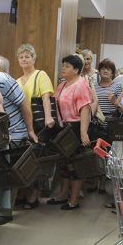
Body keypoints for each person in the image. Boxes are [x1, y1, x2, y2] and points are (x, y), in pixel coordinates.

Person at [0, 66, 38, 225]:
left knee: (9, 174)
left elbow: (24, 104)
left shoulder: (3, 81)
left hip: (14, 133)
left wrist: (30, 131)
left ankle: (6, 210)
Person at [47, 55, 94, 210]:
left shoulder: (81, 85)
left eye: (67, 66)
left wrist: (83, 133)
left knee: (75, 165)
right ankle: (62, 194)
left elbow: (85, 109)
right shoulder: (62, 84)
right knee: (64, 164)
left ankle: (74, 201)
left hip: (75, 128)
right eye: (63, 65)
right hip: (63, 128)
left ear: (76, 70)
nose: (63, 68)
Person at [16, 43, 55, 209]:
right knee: (26, 160)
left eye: (27, 56)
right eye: (21, 57)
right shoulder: (17, 80)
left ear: (34, 58)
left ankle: (34, 195)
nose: (24, 59)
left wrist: (48, 117)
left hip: (39, 124)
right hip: (23, 124)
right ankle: (24, 192)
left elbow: (46, 98)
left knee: (39, 159)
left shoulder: (41, 75)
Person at [92, 58, 122, 194]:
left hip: (110, 125)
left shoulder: (117, 87)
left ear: (112, 73)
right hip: (96, 123)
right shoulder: (94, 86)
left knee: (106, 154)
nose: (105, 71)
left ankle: (103, 183)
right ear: (99, 71)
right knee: (95, 153)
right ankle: (95, 181)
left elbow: (121, 106)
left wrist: (114, 101)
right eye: (103, 68)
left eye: (108, 69)